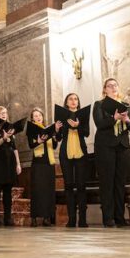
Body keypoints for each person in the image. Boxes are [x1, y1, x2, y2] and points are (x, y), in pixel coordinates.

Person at [93, 78, 130, 227]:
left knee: (119, 183)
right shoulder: (99, 105)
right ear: (105, 89)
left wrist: (127, 120)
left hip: (122, 146)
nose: (113, 87)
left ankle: (119, 217)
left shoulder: (125, 105)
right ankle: (108, 218)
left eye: (115, 85)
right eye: (109, 86)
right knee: (107, 183)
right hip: (105, 147)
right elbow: (99, 123)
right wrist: (114, 118)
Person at [59, 93, 90, 227]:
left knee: (81, 186)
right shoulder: (61, 116)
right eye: (70, 99)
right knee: (68, 186)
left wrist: (78, 126)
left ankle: (82, 219)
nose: (73, 101)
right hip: (65, 154)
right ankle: (71, 219)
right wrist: (56, 129)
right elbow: (59, 137)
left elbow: (87, 133)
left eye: (76, 99)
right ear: (66, 103)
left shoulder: (83, 115)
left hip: (80, 154)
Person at [27, 108, 62, 226]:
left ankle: (47, 218)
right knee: (37, 191)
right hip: (38, 163)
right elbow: (31, 145)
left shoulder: (48, 129)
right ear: (32, 118)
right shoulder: (31, 129)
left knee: (48, 191)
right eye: (35, 116)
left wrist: (56, 132)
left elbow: (55, 145)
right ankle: (34, 218)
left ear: (42, 117)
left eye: (39, 115)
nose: (38, 117)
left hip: (49, 163)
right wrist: (38, 141)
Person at [0, 106, 20, 226]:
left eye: (5, 112)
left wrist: (18, 164)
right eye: (0, 113)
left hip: (9, 162)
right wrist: (4, 137)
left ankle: (7, 218)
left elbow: (14, 147)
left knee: (8, 192)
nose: (3, 114)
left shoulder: (10, 127)